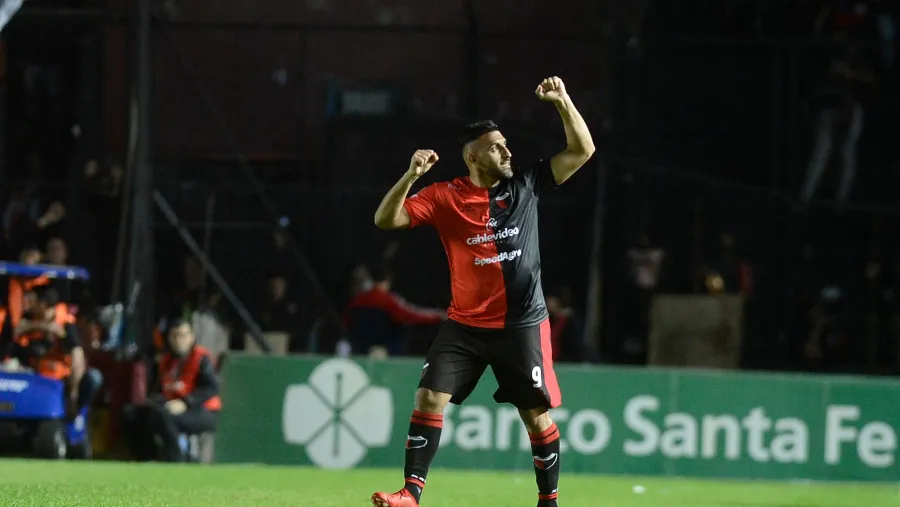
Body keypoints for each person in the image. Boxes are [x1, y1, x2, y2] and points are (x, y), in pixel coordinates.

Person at [370, 76, 595, 507]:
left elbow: (582, 151)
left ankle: (548, 501)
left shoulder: (526, 185)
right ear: (473, 156)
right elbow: (386, 220)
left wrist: (564, 100)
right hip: (465, 325)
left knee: (535, 416)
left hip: (521, 324)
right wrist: (411, 175)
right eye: (496, 147)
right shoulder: (443, 196)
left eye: (507, 144)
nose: (508, 152)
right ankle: (410, 494)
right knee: (429, 396)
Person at [123, 317, 220, 462]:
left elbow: (212, 388)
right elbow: (162, 390)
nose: (178, 340)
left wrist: (185, 402)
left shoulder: (201, 358)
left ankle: (175, 461)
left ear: (191, 337)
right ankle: (147, 459)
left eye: (183, 335)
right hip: (171, 406)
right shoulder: (167, 361)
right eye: (174, 335)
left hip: (202, 410)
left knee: (163, 417)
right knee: (131, 413)